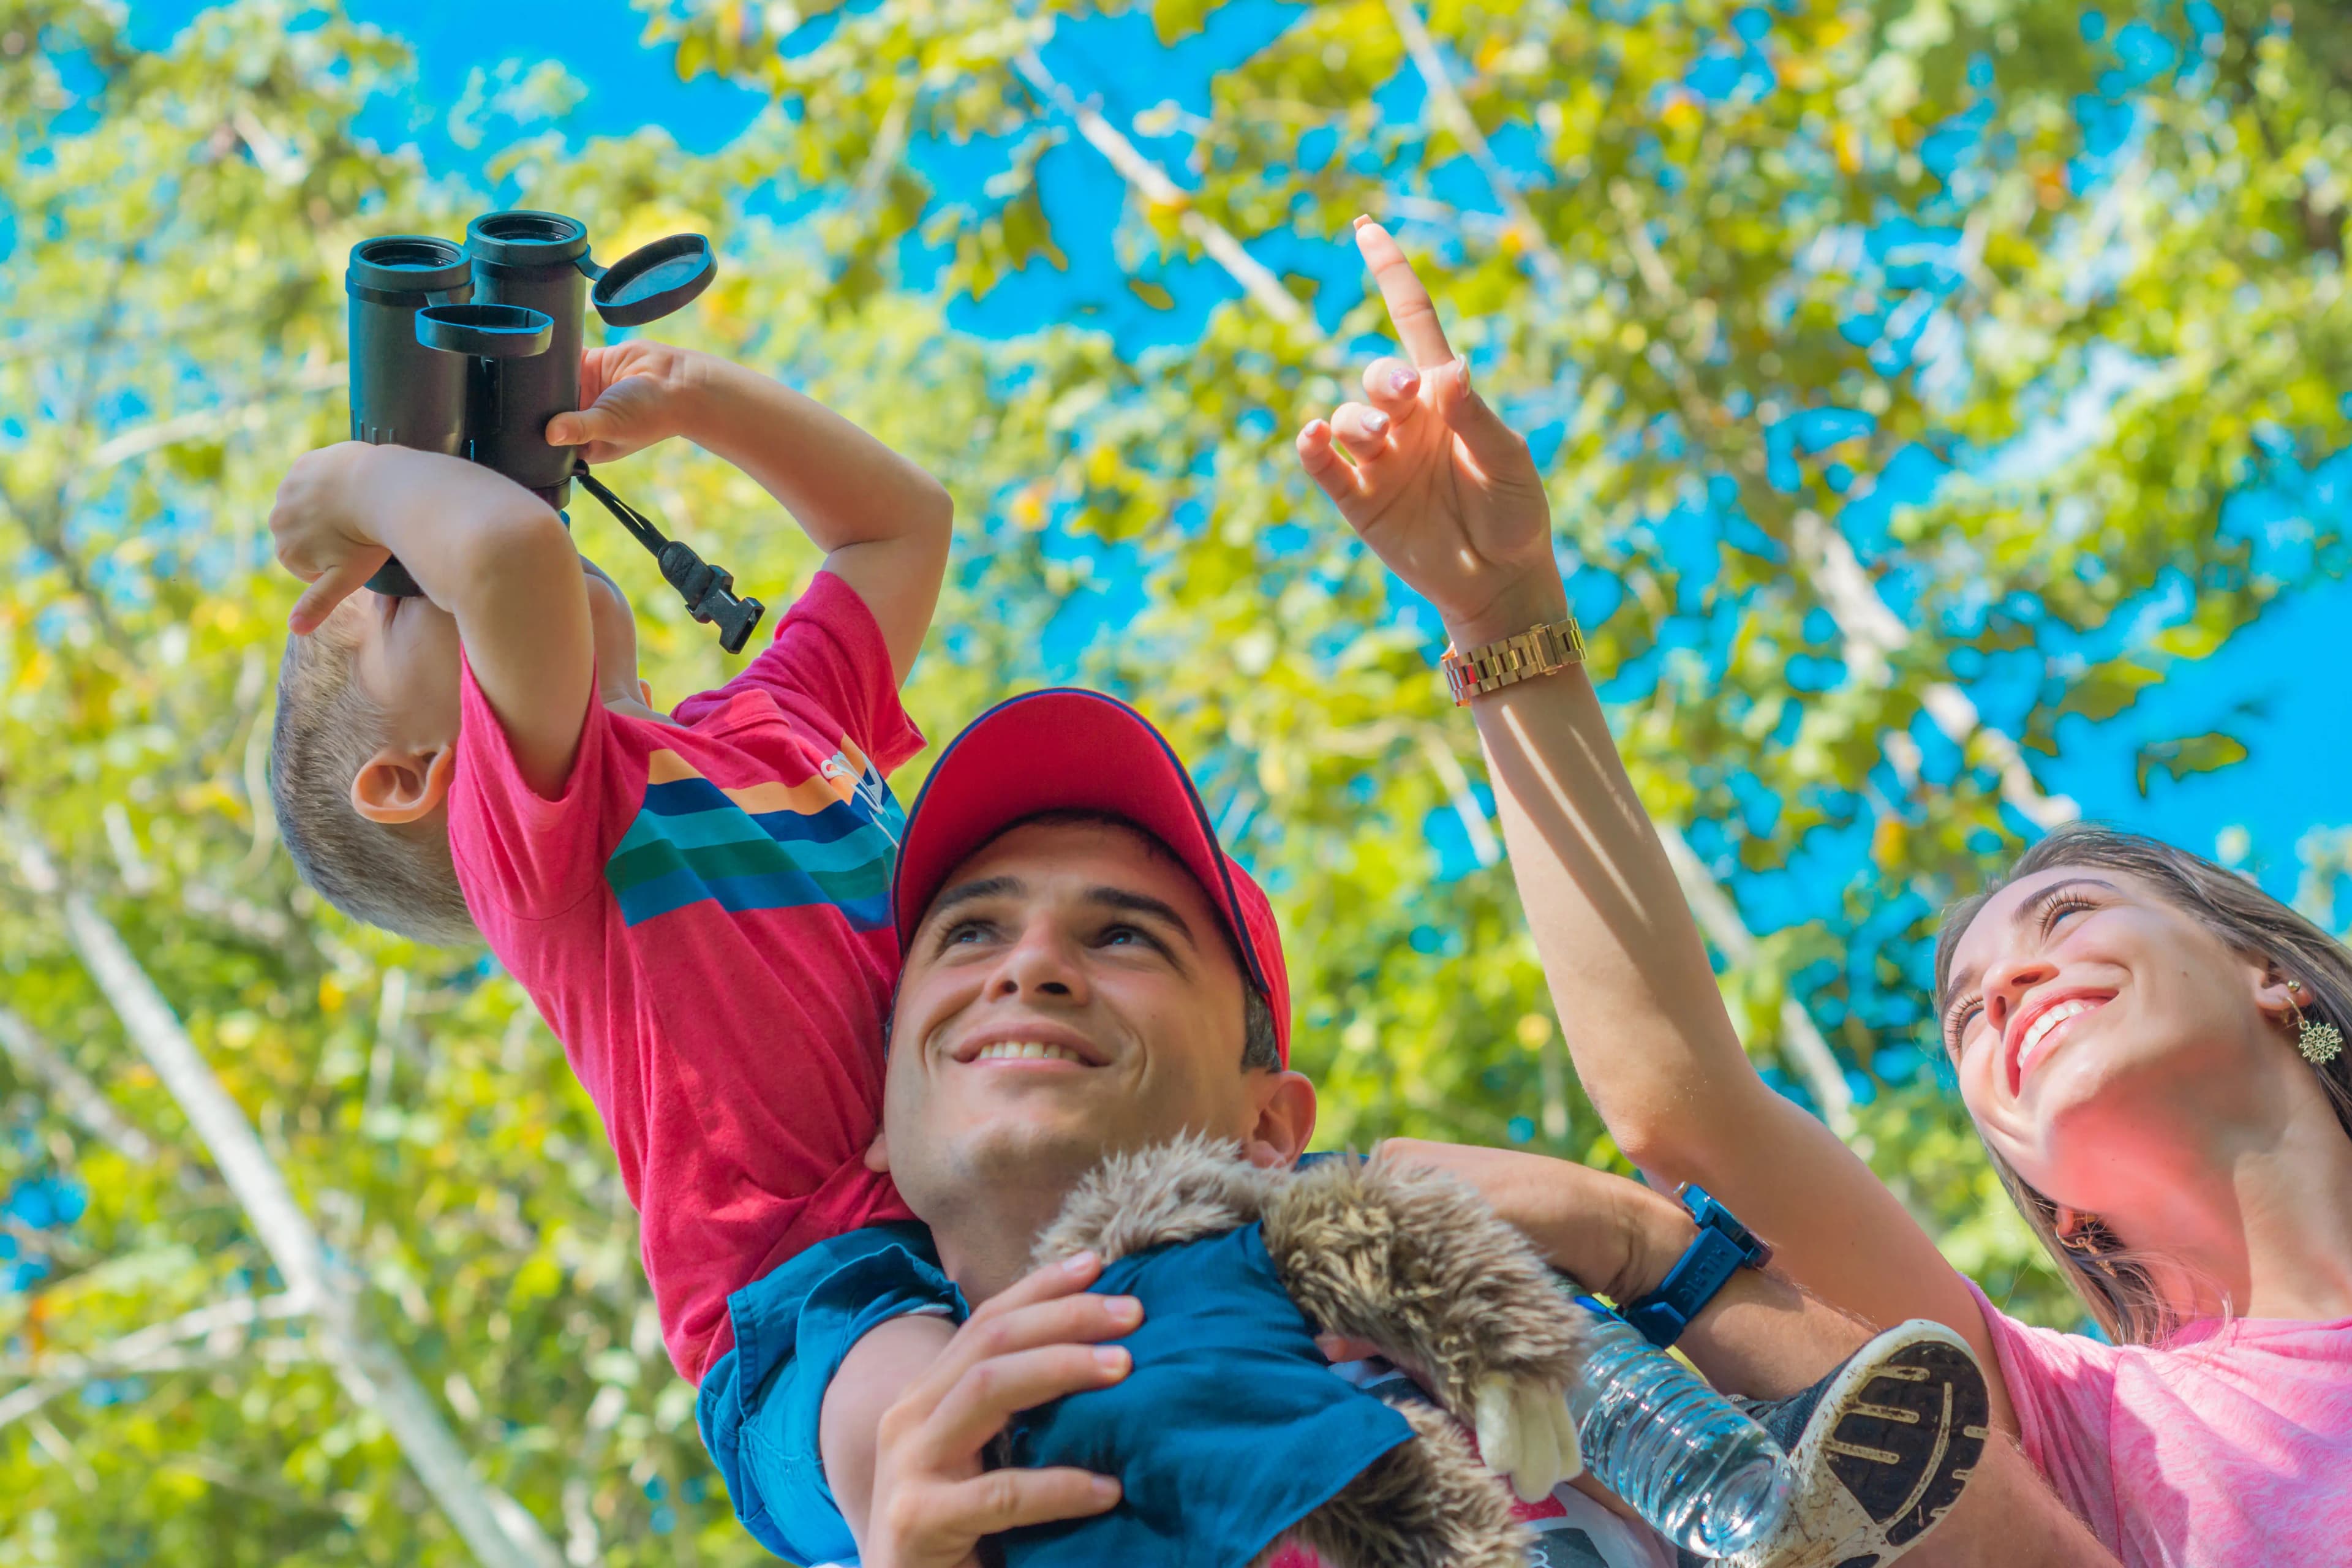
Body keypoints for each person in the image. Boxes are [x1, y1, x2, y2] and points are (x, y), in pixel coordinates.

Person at [704, 229, 2117, 1568]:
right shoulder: (847, 1387)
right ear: (882, 1117)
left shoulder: (1512, 1294)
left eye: (1124, 933)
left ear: (1272, 1122)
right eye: (968, 930)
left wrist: (1651, 1253)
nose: (1033, 965)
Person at [1298, 220, 2352, 1567]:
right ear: (2042, 1187)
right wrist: (1505, 620)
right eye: (1968, 1015)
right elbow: (1684, 1104)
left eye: (2070, 917)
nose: (2009, 986)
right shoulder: (2089, 1430)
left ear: (2273, 973)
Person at [266, 339, 951, 1387]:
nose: (433, 548)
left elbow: (901, 529)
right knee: (925, 1422)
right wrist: (357, 485)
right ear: (416, 776)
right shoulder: (549, 846)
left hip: (994, 1211)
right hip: (812, 1304)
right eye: (404, 585)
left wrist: (690, 393)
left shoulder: (778, 730)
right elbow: (507, 553)